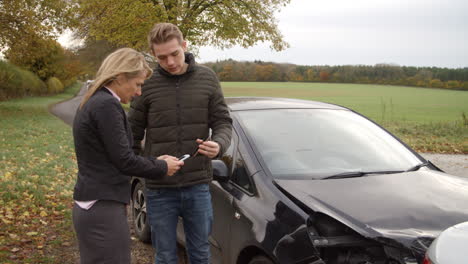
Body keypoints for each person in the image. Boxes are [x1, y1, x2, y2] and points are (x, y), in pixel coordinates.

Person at [128, 23, 233, 264]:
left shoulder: (208, 78)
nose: (171, 62)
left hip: (197, 186)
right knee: (165, 256)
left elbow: (223, 122)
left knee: (200, 254)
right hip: (159, 187)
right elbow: (130, 135)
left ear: (185, 46)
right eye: (162, 57)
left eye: (174, 54)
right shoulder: (146, 84)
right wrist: (139, 171)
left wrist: (218, 144)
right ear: (153, 55)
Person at [72, 47, 184, 264]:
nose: (139, 92)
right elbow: (124, 160)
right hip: (101, 208)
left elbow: (116, 154)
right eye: (138, 84)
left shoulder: (95, 100)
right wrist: (162, 167)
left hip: (96, 205)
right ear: (121, 77)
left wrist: (154, 161)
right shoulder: (106, 105)